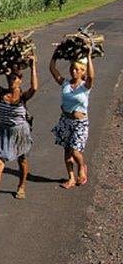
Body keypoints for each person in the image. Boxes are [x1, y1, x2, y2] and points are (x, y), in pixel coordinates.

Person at [0, 51, 38, 209]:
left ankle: (21, 186)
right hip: (4, 132)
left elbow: (34, 88)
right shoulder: (2, 94)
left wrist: (33, 65)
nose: (11, 81)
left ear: (20, 80)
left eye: (14, 78)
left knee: (22, 161)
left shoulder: (23, 97)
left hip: (20, 133)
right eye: (9, 78)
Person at [49, 41, 95, 189]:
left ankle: (82, 166)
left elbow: (92, 77)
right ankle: (71, 178)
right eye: (72, 69)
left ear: (82, 71)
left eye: (77, 69)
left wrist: (88, 56)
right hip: (65, 121)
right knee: (67, 151)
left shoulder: (85, 86)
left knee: (75, 151)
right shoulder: (65, 84)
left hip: (80, 124)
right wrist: (55, 55)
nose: (73, 72)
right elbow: (53, 70)